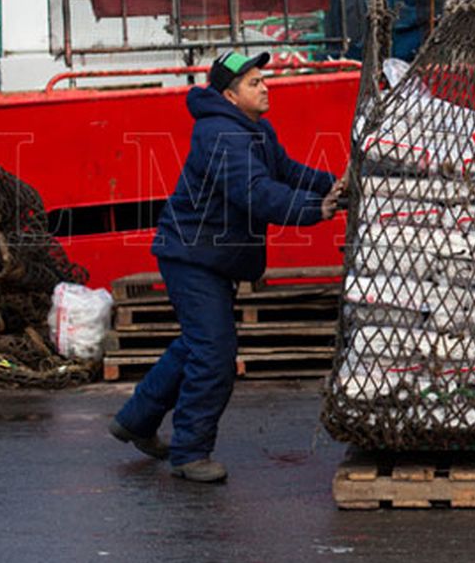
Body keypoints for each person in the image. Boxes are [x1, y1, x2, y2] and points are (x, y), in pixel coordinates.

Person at [110, 51, 343, 483]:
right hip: (193, 255)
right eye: (254, 82)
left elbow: (285, 170)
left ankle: (136, 420)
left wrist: (332, 184)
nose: (265, 86)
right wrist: (317, 210)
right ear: (230, 94)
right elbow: (254, 192)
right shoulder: (221, 135)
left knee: (195, 344)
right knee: (215, 352)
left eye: (262, 79)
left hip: (209, 256)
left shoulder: (253, 129)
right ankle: (190, 453)